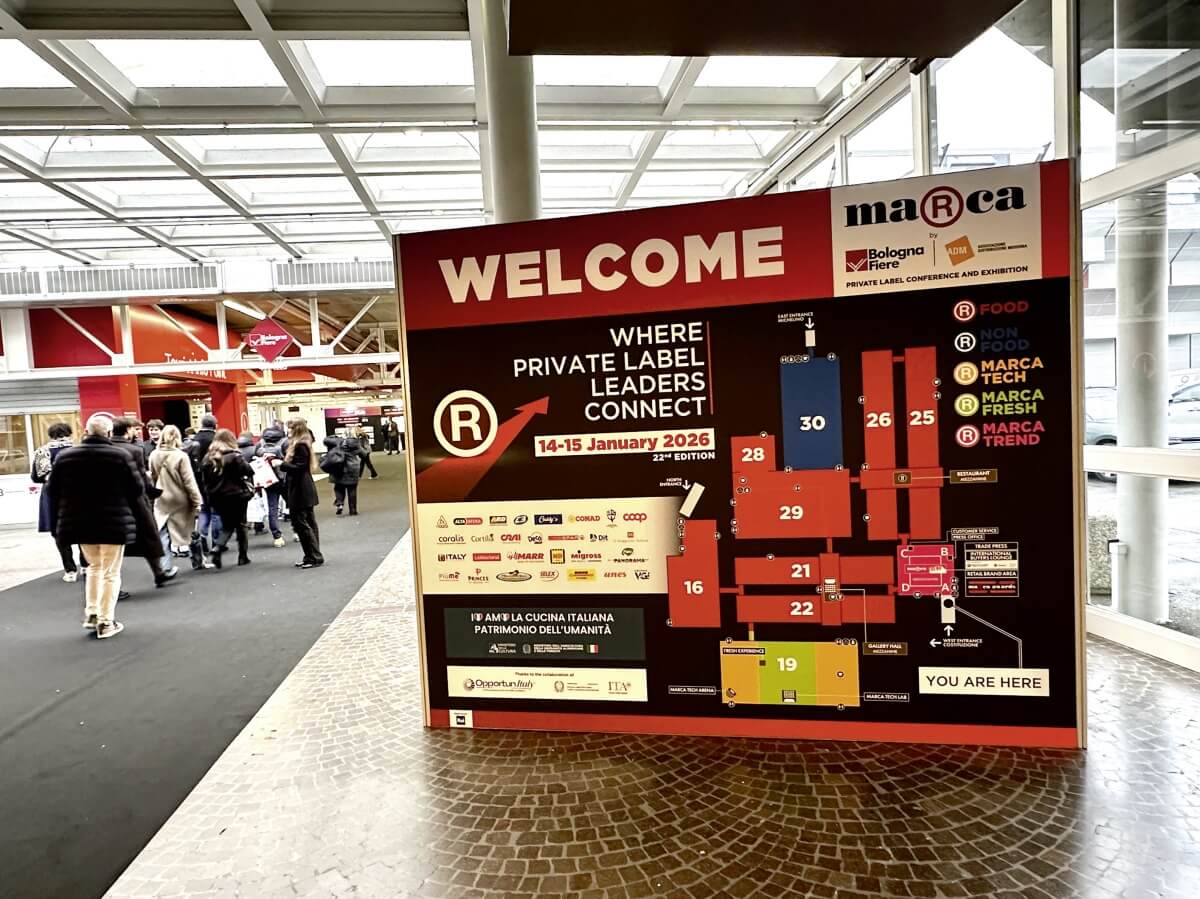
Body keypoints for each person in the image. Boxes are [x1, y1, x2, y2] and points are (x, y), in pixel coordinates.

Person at [49, 413, 143, 639]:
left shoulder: (66, 457)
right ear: (109, 433)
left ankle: (92, 612)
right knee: (111, 572)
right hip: (113, 522)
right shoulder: (119, 456)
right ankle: (106, 621)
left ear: (85, 431)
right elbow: (136, 489)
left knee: (93, 567)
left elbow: (52, 490)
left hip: (81, 522)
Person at [112, 417, 176, 587]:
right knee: (148, 538)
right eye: (135, 429)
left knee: (114, 545)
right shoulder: (134, 450)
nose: (137, 432)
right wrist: (153, 492)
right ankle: (159, 572)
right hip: (134, 501)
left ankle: (115, 585)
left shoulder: (106, 448)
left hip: (111, 502)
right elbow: (140, 477)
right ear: (127, 430)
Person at [32, 422, 84, 582]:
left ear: (51, 435)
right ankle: (86, 565)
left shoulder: (42, 451)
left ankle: (70, 570)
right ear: (69, 433)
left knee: (58, 531)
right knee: (82, 530)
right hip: (77, 494)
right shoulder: (79, 450)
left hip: (52, 495)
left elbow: (36, 477)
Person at [149, 425, 204, 572]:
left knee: (163, 532)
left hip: (162, 497)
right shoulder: (181, 456)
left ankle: (165, 566)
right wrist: (197, 501)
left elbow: (153, 476)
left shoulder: (154, 454)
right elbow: (189, 481)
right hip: (181, 498)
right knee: (190, 529)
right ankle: (197, 561)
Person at [201, 428, 254, 569]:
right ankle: (242, 556)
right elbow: (249, 471)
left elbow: (204, 480)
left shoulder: (208, 458)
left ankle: (217, 548)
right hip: (237, 495)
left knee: (227, 524)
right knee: (241, 524)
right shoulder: (234, 456)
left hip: (217, 497)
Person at [273, 418, 323, 568]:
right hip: (304, 488)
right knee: (308, 523)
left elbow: (299, 467)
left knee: (302, 524)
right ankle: (312, 556)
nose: (287, 430)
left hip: (300, 489)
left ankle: (313, 557)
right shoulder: (304, 443)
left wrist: (281, 464)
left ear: (296, 429)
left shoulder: (300, 445)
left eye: (290, 427)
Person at [188, 414, 221, 561]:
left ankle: (201, 535)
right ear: (215, 425)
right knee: (216, 513)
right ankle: (216, 542)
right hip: (215, 481)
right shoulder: (217, 440)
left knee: (204, 510)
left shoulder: (193, 440)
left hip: (197, 481)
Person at [256, 421, 288, 547]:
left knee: (272, 508)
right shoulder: (285, 442)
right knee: (292, 505)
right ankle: (297, 531)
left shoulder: (260, 443)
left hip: (268, 479)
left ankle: (277, 537)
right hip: (283, 478)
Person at [322, 432, 364, 516]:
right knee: (352, 489)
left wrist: (335, 437)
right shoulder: (355, 444)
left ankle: (340, 503)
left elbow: (326, 441)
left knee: (338, 487)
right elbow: (364, 454)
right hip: (353, 468)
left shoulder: (337, 442)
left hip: (339, 468)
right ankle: (353, 510)